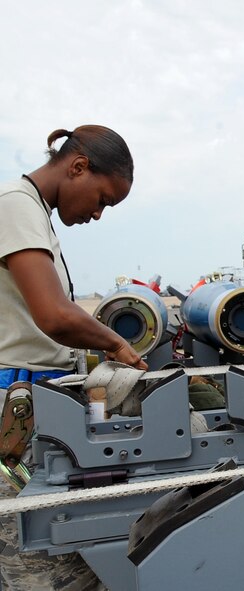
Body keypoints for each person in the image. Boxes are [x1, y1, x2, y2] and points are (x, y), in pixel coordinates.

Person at [0, 125, 147, 590]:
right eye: (102, 199)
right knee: (42, 568)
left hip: (38, 407)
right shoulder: (15, 205)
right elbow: (54, 315)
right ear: (78, 167)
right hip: (15, 416)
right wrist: (116, 344)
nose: (97, 214)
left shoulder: (33, 212)